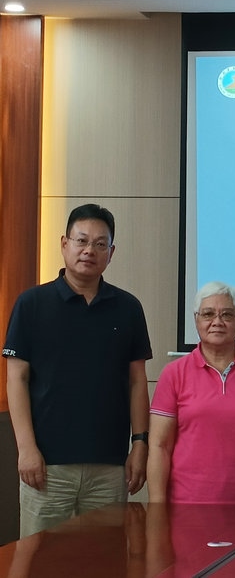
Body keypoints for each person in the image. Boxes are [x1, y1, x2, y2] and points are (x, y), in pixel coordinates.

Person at [2, 203, 152, 537]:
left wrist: (140, 444)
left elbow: (137, 383)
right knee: (40, 558)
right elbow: (16, 379)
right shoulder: (31, 304)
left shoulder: (128, 308)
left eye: (100, 244)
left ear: (111, 253)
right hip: (46, 466)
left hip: (109, 467)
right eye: (81, 240)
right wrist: (26, 449)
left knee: (104, 557)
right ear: (64, 244)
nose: (89, 250)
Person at [147, 282, 235, 504]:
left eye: (227, 314)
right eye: (208, 314)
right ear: (196, 319)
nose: (217, 322)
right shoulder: (174, 373)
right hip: (187, 504)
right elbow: (159, 446)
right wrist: (157, 506)